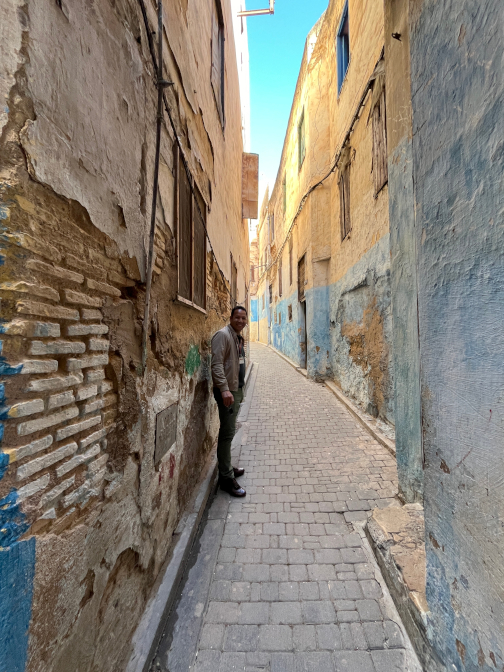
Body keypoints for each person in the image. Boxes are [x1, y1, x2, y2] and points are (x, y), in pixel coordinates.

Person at [211, 306, 248, 497]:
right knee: (227, 433)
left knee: (230, 431)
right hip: (228, 392)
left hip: (235, 390)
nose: (240, 321)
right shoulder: (222, 335)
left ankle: (227, 467)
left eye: (243, 318)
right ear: (231, 318)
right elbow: (216, 364)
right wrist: (225, 389)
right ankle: (226, 478)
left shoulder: (236, 336)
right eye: (237, 317)